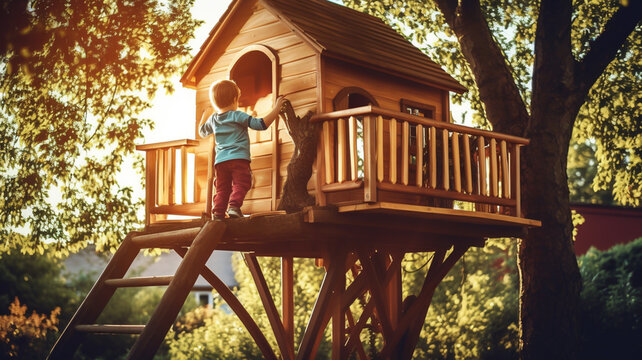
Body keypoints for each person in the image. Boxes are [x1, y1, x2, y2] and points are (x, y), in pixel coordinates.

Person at [198, 79, 285, 220]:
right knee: (242, 183)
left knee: (222, 189)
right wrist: (276, 108)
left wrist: (205, 114)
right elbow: (261, 124)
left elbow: (201, 132)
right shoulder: (237, 115)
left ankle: (218, 213)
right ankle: (233, 207)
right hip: (238, 158)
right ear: (234, 100)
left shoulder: (213, 119)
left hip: (220, 162)